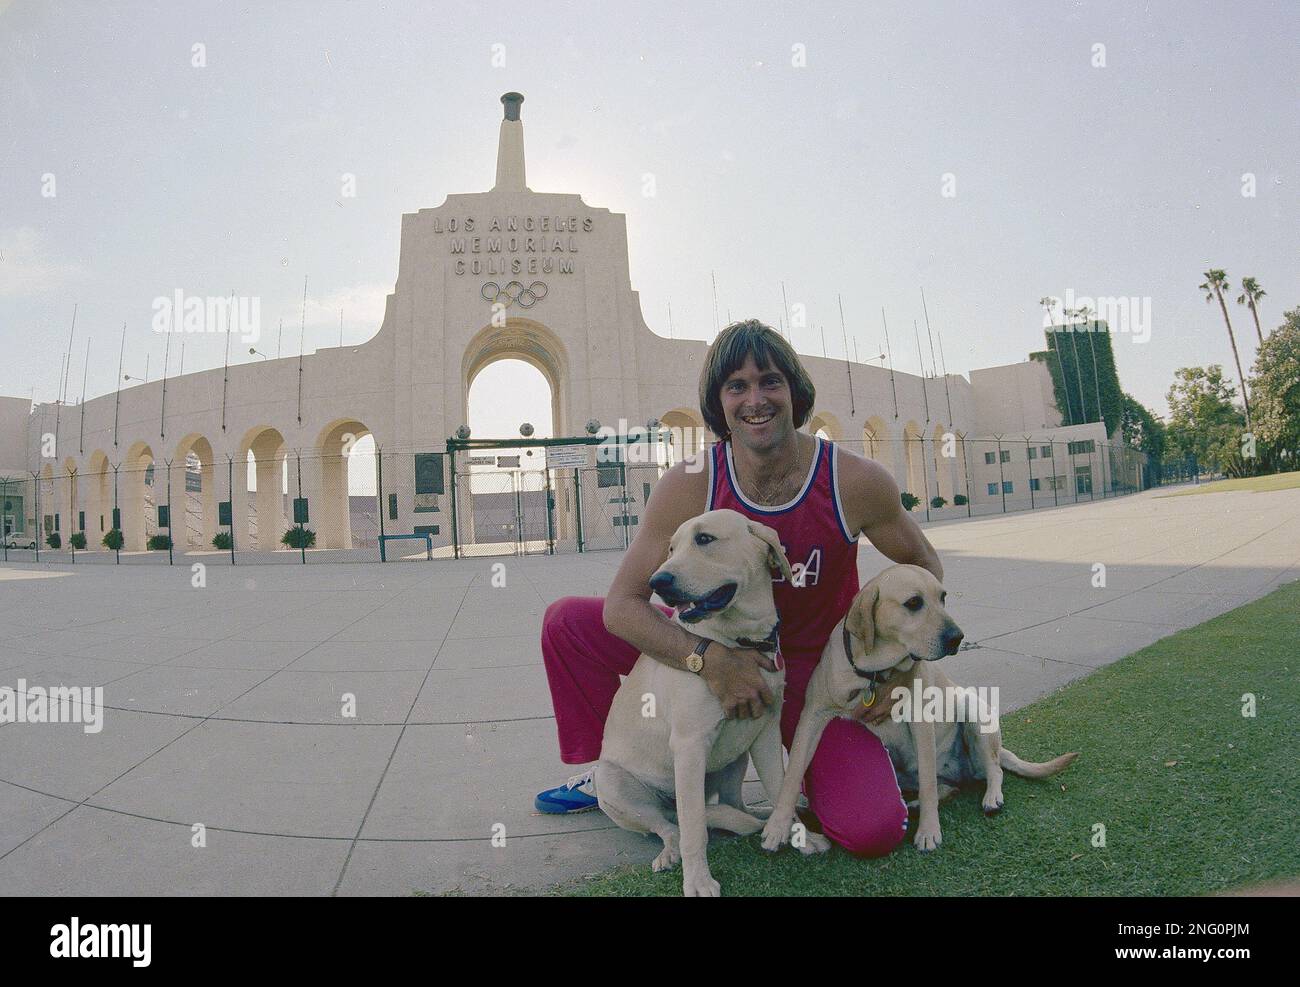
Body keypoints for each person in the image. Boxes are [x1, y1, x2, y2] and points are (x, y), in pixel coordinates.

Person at [536, 319, 944, 856]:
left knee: (870, 829)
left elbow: (925, 570)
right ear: (717, 403)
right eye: (737, 386)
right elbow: (623, 606)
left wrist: (900, 671)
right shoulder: (690, 481)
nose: (756, 399)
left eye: (769, 381)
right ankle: (606, 773)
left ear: (795, 393)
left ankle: (839, 768)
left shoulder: (853, 480)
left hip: (815, 671)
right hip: (721, 641)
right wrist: (707, 659)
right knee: (568, 623)